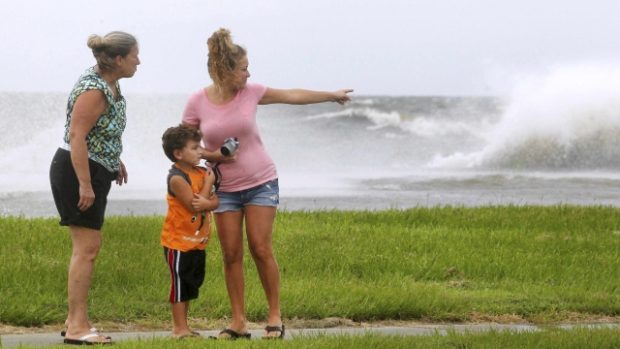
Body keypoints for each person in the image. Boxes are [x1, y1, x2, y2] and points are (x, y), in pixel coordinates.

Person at [182, 28, 353, 339]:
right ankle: (238, 322)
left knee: (260, 248)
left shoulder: (253, 91)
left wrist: (331, 95)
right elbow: (183, 147)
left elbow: (292, 95)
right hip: (224, 190)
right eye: (244, 68)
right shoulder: (197, 101)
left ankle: (275, 317)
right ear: (225, 70)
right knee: (231, 253)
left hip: (261, 181)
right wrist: (214, 155)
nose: (249, 73)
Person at [49, 31, 139, 345]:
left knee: (87, 248)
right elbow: (76, 136)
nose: (138, 61)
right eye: (133, 56)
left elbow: (98, 133)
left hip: (92, 167)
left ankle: (75, 321)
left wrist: (115, 160)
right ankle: (77, 328)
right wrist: (85, 184)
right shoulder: (95, 89)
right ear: (117, 59)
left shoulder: (110, 82)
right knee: (86, 250)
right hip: (77, 172)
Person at [160, 124, 219, 339]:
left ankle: (185, 326)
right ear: (178, 153)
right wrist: (209, 187)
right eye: (195, 148)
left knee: (191, 284)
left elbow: (215, 200)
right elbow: (196, 204)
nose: (201, 151)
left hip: (197, 241)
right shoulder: (177, 178)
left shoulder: (201, 172)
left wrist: (209, 200)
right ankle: (179, 328)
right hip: (177, 242)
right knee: (179, 285)